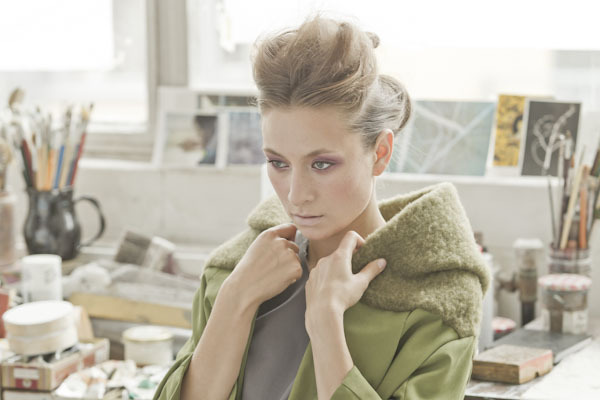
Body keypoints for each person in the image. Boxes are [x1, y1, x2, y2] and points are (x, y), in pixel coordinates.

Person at [154, 15, 489, 400]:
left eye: (322, 164)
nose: (296, 195)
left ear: (380, 153)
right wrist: (235, 300)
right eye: (278, 163)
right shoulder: (235, 271)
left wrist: (327, 324)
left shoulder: (437, 302)